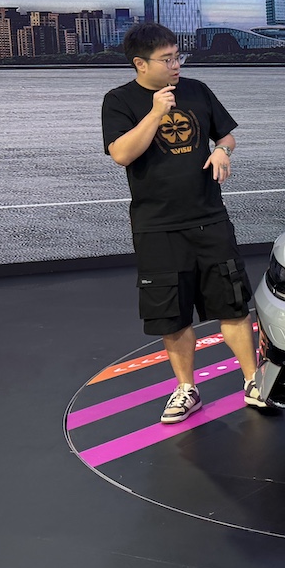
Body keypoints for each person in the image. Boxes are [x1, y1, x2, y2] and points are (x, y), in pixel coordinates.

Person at [101, 22, 265, 424]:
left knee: (232, 304)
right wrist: (156, 112)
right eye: (166, 59)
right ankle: (187, 388)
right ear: (140, 64)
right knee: (170, 314)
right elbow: (122, 153)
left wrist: (223, 151)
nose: (176, 65)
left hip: (209, 217)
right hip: (157, 225)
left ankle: (253, 380)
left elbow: (226, 135)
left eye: (178, 57)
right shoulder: (119, 100)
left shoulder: (197, 90)